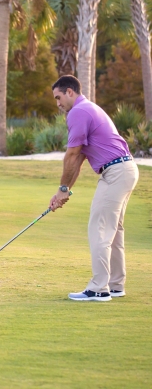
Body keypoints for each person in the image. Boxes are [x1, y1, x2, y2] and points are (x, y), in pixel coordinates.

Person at [50, 75, 139, 302]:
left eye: (58, 97)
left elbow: (71, 155)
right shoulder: (88, 109)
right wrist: (65, 191)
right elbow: (78, 158)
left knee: (99, 227)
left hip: (116, 172)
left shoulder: (78, 112)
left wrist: (61, 189)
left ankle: (99, 288)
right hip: (125, 169)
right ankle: (115, 284)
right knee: (113, 230)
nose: (57, 103)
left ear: (70, 92)